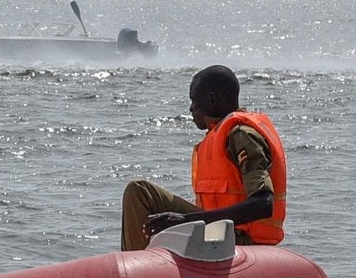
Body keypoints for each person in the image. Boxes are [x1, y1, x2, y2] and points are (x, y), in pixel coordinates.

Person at [118, 64, 287, 252]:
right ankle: (143, 263)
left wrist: (186, 220)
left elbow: (263, 204)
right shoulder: (222, 133)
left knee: (138, 190)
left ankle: (136, 268)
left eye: (194, 101)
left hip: (241, 239)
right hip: (221, 229)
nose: (191, 109)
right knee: (143, 194)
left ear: (211, 99)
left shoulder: (242, 135)